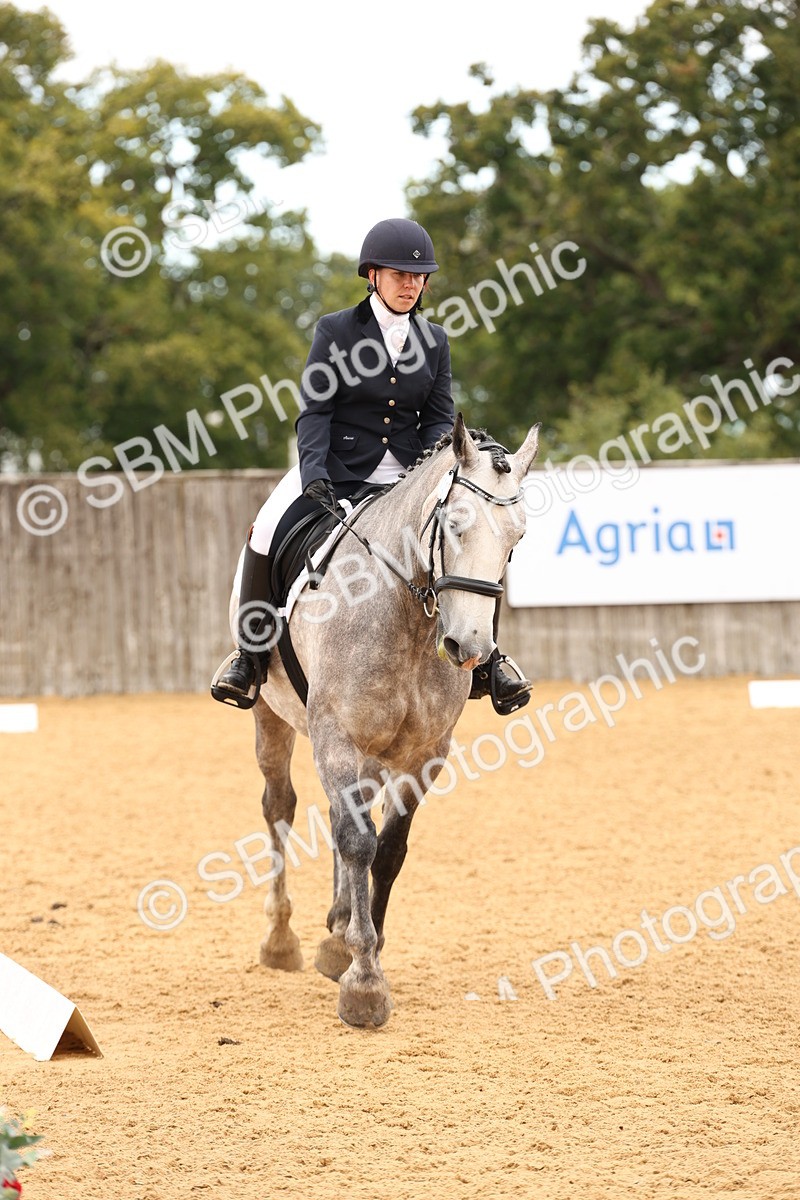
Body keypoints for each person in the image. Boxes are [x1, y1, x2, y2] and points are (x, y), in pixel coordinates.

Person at [211, 217, 531, 714]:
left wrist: (433, 473)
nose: (411, 284)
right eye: (400, 274)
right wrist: (314, 473)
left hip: (408, 475)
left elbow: (439, 419)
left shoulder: (435, 340)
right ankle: (249, 657)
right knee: (266, 530)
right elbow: (315, 411)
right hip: (336, 465)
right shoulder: (335, 330)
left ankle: (487, 660)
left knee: (474, 536)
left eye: (419, 276)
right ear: (373, 276)